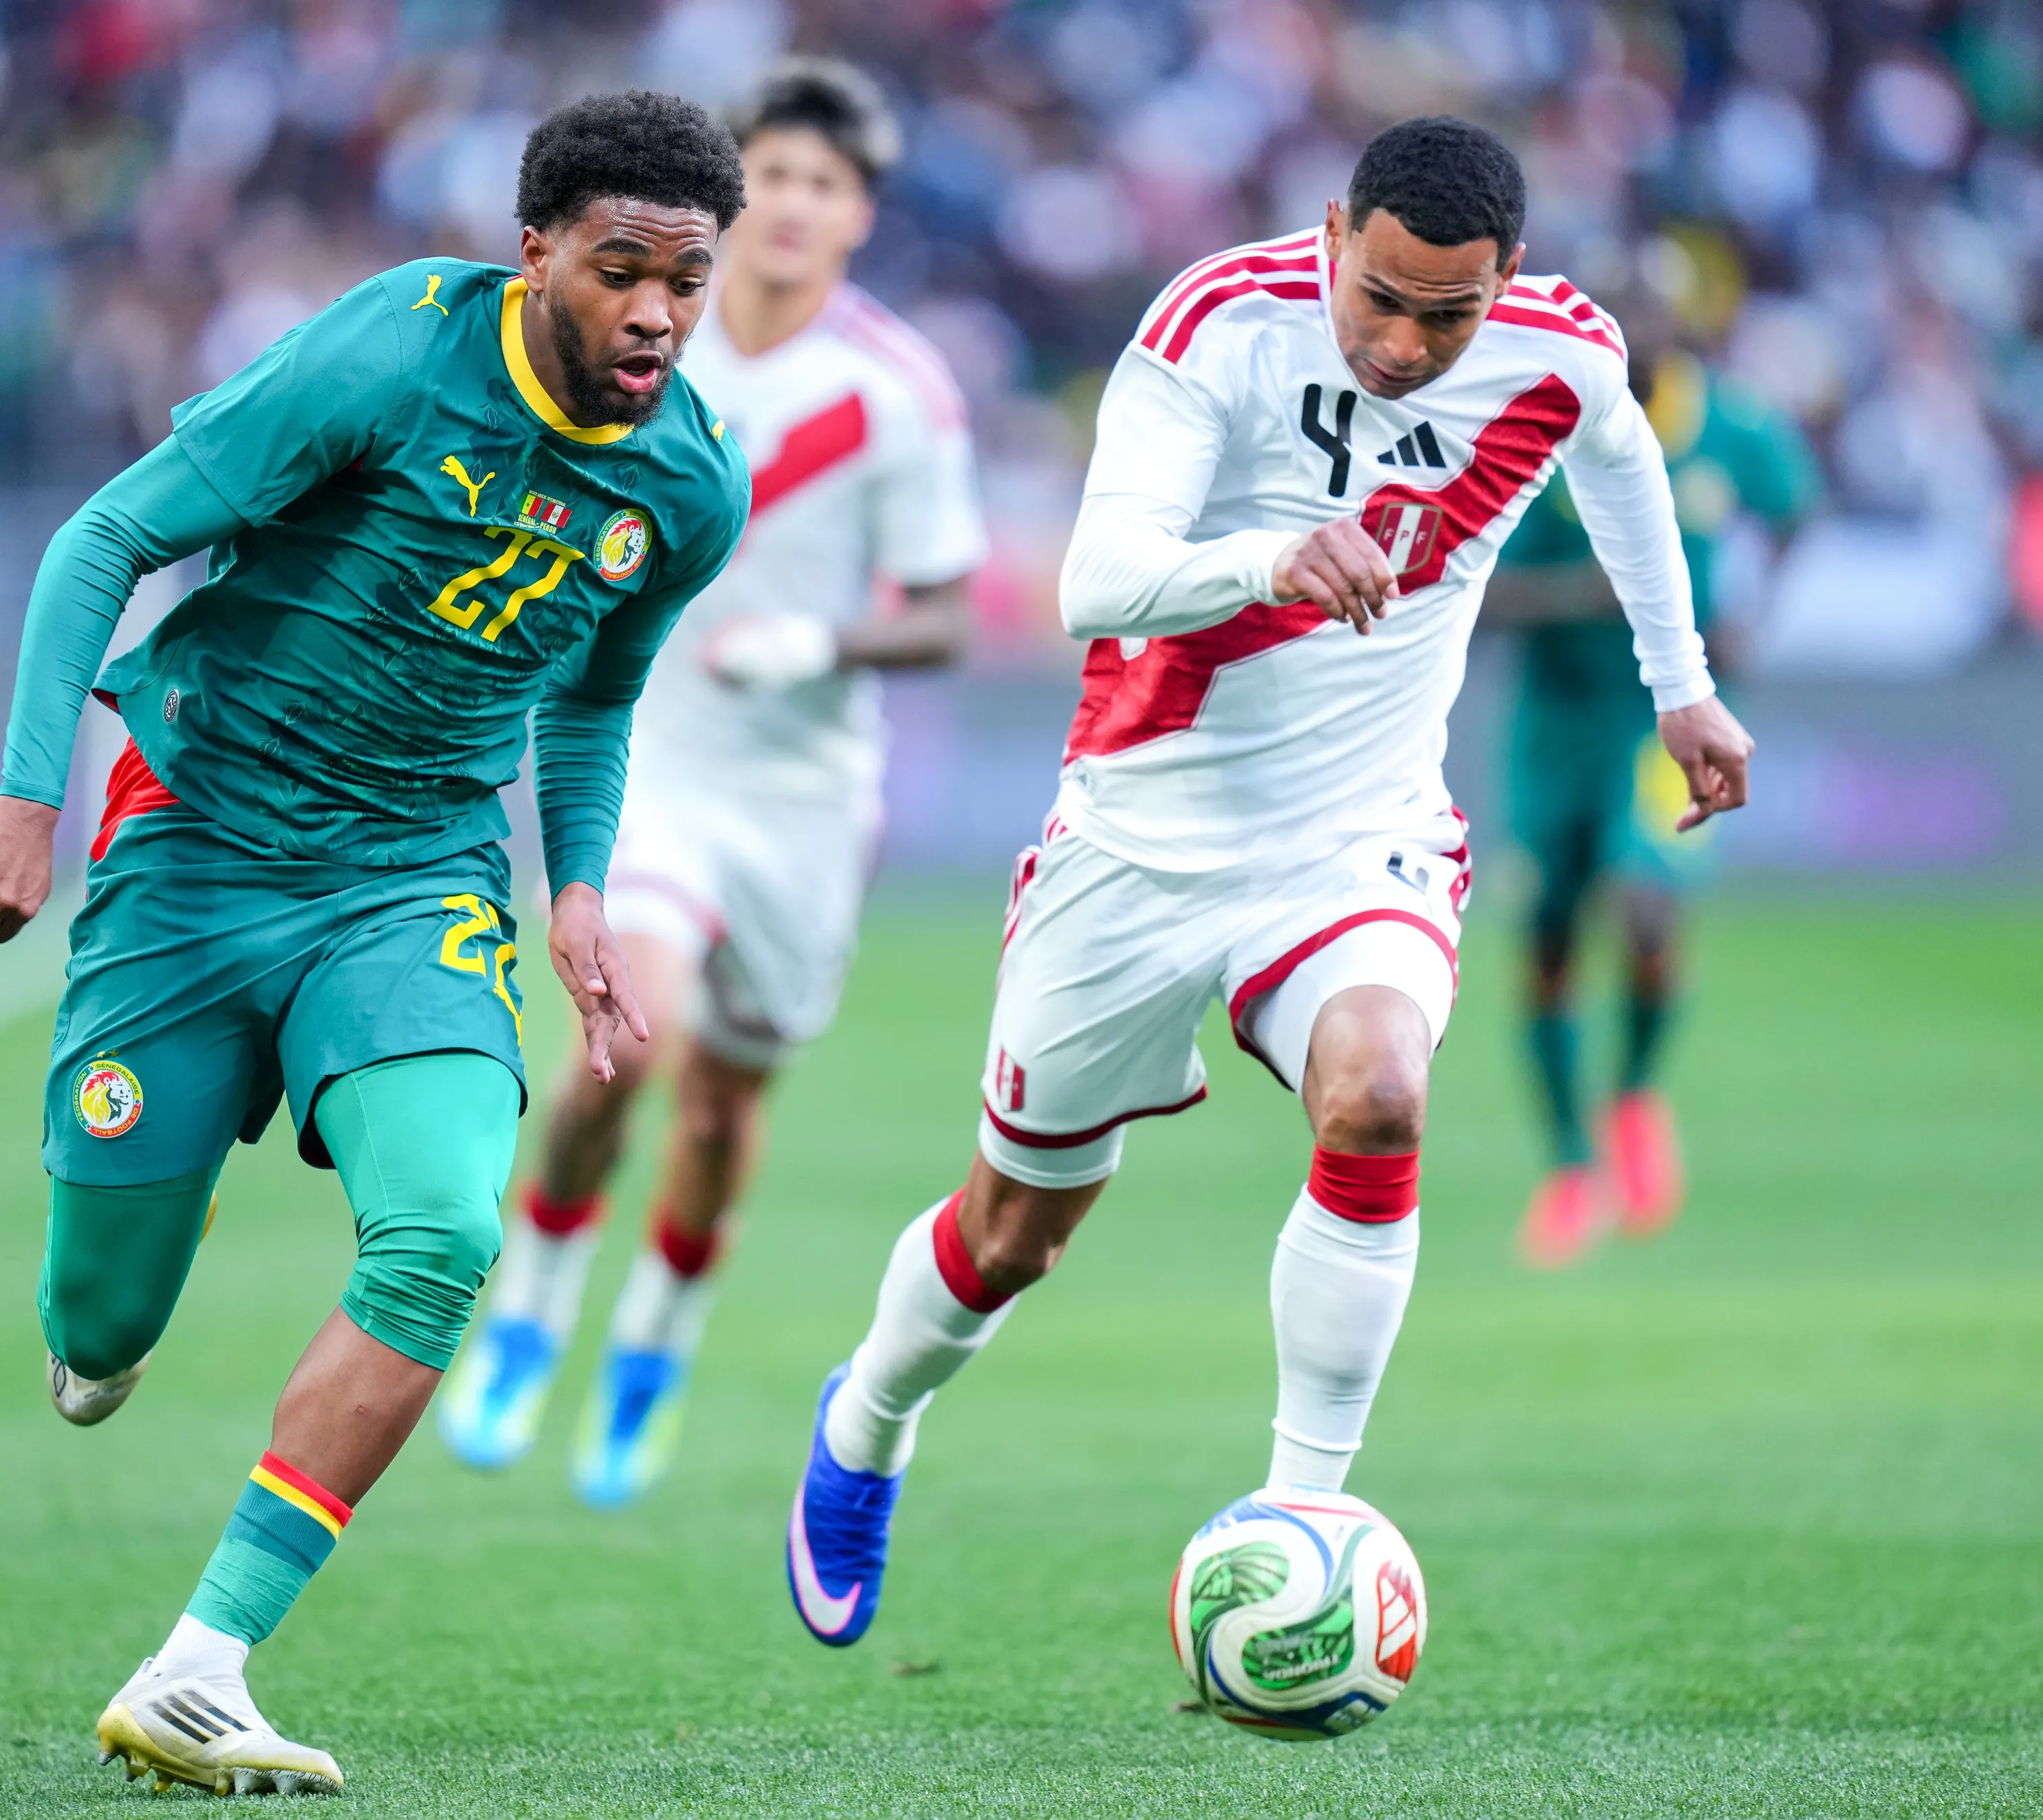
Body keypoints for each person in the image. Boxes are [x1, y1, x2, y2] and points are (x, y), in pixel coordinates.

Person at [781, 117, 1756, 1648]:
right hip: (1137, 842)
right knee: (1011, 1234)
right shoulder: (1215, 323)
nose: (1405, 342)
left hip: (1352, 839)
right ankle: (869, 1418)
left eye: (1449, 313)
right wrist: (1272, 556)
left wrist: (1679, 688)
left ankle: (1303, 1510)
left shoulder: (1556, 353)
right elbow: (1089, 583)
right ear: (1329, 233)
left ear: (1504, 282)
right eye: (1379, 296)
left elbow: (1622, 463)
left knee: (1378, 1095)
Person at [0, 92, 749, 1794]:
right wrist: (27, 798)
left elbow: (592, 699)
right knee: (96, 1325)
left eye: (688, 279)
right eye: (621, 271)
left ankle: (202, 1660)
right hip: (193, 850)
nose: (659, 316)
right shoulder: (385, 357)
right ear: (536, 255)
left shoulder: (684, 485)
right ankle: (136, 1258)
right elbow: (108, 535)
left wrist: (575, 885)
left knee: (441, 1232)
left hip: (412, 883)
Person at [439, 59, 986, 1509]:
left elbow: (944, 606)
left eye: (826, 184)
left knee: (723, 1115)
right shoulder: (643, 337)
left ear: (860, 214)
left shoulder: (894, 391)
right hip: (654, 757)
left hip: (806, 799)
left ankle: (651, 1350)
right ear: (735, 194)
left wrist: (820, 638)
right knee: (635, 1030)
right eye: (776, 178)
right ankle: (531, 1305)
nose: (795, 207)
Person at [1487, 311, 1820, 1267]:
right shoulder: (1534, 435)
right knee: (1549, 940)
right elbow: (1474, 592)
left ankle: (1632, 1092)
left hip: (1658, 719)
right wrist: (1585, 593)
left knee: (1645, 904)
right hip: (1555, 726)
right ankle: (1568, 1165)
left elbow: (1796, 503)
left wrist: (1755, 610)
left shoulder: (1728, 425)